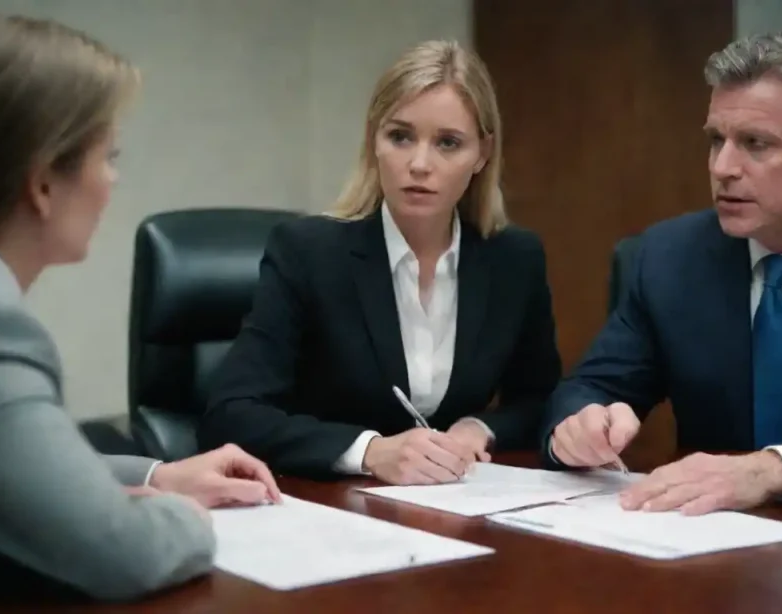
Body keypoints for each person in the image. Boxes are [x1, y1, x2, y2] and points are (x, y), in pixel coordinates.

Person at [0, 13, 280, 611]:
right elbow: (124, 553)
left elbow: (0, 460)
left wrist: (157, 476)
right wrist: (183, 516)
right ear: (42, 183)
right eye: (107, 156)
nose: (112, 181)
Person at [544, 30, 782, 513]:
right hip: (706, 549)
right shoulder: (666, 257)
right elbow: (590, 388)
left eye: (755, 144)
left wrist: (773, 470)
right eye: (716, 141)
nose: (723, 167)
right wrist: (581, 425)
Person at [199, 40, 561, 484]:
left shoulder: (514, 260)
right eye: (400, 137)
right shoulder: (308, 252)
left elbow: (541, 399)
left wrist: (480, 428)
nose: (420, 164)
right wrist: (369, 451)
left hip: (453, 507)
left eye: (448, 143)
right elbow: (231, 414)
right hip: (329, 512)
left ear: (482, 154)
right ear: (374, 140)